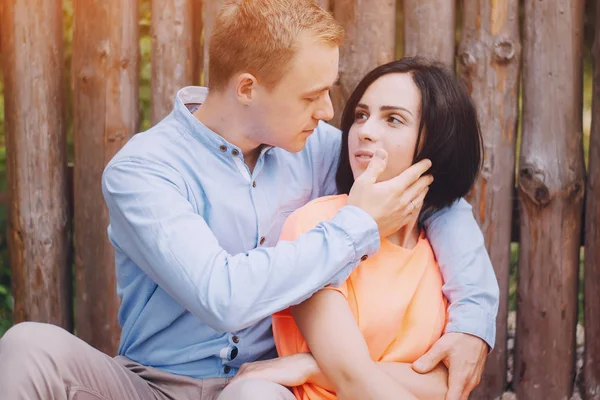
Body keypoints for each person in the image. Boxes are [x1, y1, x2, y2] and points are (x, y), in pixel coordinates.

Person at [0, 1, 498, 399]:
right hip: (152, 384)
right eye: (310, 96)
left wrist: (474, 322)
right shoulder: (143, 170)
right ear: (247, 88)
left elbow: (437, 194)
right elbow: (223, 296)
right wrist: (357, 224)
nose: (328, 111)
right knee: (28, 345)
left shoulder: (317, 147)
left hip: (271, 383)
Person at [232, 57, 483, 400]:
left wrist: (311, 367)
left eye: (393, 119)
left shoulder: (447, 251)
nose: (364, 130)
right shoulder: (317, 228)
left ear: (439, 142)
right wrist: (339, 370)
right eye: (361, 115)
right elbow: (352, 380)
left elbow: (446, 384)